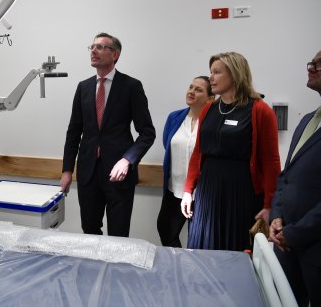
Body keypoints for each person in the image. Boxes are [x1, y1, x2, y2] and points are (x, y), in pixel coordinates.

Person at [180, 52, 281, 251]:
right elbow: (199, 152)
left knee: (234, 250)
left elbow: (271, 162)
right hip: (208, 191)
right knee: (204, 249)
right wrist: (188, 190)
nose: (211, 78)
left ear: (235, 75)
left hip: (240, 193)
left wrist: (270, 205)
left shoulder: (260, 110)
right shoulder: (209, 108)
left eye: (217, 72)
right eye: (211, 72)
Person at [60, 32, 155, 237]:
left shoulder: (131, 86)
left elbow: (147, 133)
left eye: (101, 47)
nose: (94, 51)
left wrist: (127, 160)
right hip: (88, 173)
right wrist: (67, 170)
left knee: (118, 235)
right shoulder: (83, 87)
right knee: (90, 230)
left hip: (118, 174)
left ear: (115, 54)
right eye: (92, 47)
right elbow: (73, 132)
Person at [269, 51, 321, 307]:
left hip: (314, 247)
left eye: (319, 63)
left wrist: (295, 232)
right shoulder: (308, 121)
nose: (311, 67)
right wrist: (276, 215)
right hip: (286, 242)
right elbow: (286, 176)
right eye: (311, 62)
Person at [156, 76, 214, 247]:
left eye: (198, 90)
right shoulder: (174, 118)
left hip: (202, 194)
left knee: (197, 241)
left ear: (210, 98)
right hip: (174, 190)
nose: (191, 92)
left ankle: (192, 271)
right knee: (165, 231)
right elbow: (168, 144)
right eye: (191, 87)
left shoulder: (213, 122)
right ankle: (177, 267)